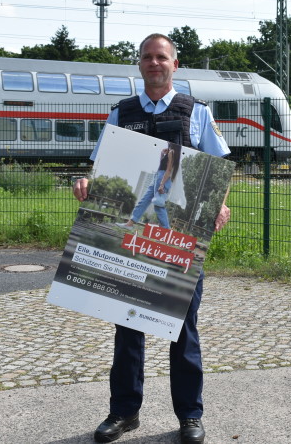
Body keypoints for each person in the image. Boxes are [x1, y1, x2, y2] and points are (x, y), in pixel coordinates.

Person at [72, 33, 231, 444]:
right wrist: (86, 182)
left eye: (161, 57)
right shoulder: (120, 113)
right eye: (147, 57)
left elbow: (218, 170)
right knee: (127, 326)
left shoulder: (197, 113)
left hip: (180, 243)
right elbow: (102, 169)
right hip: (131, 247)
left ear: (175, 64)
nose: (154, 63)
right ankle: (124, 413)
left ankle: (190, 416)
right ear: (139, 64)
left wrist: (220, 204)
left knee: (183, 328)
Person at [121, 142, 181, 229]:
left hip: (162, 179)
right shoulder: (169, 152)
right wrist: (162, 155)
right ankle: (130, 224)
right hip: (158, 176)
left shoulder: (172, 152)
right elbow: (162, 166)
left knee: (158, 204)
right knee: (144, 200)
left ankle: (166, 230)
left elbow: (168, 170)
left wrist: (161, 184)